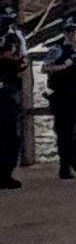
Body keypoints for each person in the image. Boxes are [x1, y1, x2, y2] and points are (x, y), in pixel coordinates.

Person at [44, 22, 76, 180]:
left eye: (75, 30)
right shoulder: (58, 48)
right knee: (65, 130)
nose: (72, 33)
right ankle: (64, 167)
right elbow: (46, 67)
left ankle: (74, 156)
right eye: (69, 30)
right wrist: (64, 66)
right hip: (63, 93)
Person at [0, 17, 26, 189]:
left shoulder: (15, 37)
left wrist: (15, 59)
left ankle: (5, 174)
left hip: (9, 89)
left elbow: (23, 60)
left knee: (11, 134)